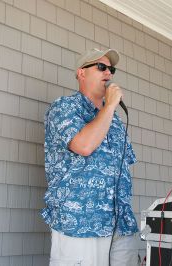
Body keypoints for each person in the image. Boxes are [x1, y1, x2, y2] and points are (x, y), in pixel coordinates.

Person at [42, 48, 139, 266]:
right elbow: (84, 145)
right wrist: (111, 105)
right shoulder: (64, 107)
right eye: (101, 67)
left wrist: (109, 110)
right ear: (81, 73)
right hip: (80, 224)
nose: (109, 74)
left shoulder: (114, 121)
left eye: (111, 69)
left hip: (119, 225)